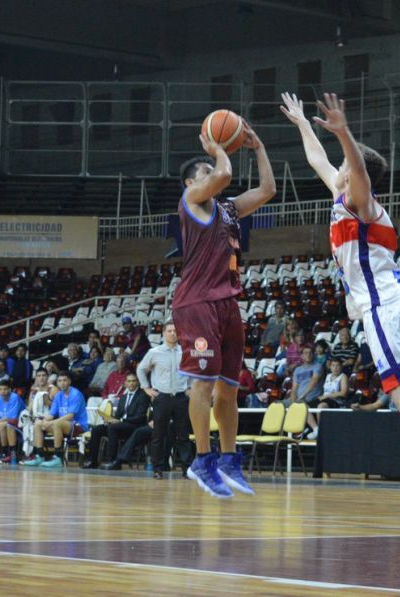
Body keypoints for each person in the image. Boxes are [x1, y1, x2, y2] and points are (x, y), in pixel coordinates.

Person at [281, 91, 400, 533]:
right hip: (396, 308)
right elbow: (317, 160)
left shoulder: (364, 204)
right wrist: (303, 124)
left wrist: (343, 132)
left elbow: (358, 170)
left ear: (353, 172)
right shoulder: (342, 195)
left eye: (344, 166)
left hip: (384, 307)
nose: (338, 170)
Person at [171, 115, 275, 499]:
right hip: (197, 302)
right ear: (191, 184)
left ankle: (229, 460)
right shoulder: (191, 201)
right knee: (202, 384)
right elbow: (225, 175)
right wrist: (217, 148)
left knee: (228, 389)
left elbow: (267, 189)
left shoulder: (227, 209)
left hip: (228, 303)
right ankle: (202, 460)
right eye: (204, 171)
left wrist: (258, 147)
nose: (211, 171)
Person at [137, 321, 190, 479]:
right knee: (158, 434)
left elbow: (193, 371)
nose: (173, 333)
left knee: (183, 435)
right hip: (162, 397)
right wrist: (146, 388)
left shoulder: (185, 351)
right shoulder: (154, 352)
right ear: (163, 333)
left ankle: (187, 469)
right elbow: (141, 369)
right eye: (169, 331)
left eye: (175, 331)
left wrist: (191, 387)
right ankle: (157, 468)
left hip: (181, 397)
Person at [22, 372, 87, 468]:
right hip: (62, 425)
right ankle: (39, 456)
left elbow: (70, 416)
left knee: (57, 424)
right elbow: (51, 414)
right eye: (60, 381)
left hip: (78, 425)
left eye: (65, 380)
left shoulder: (76, 394)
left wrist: (51, 422)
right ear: (57, 383)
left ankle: (58, 458)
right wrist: (45, 421)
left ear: (69, 381)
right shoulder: (58, 395)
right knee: (38, 423)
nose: (62, 383)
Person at [98, 373, 150, 470]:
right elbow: (118, 415)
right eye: (129, 381)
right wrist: (109, 419)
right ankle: (93, 461)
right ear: (125, 383)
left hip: (135, 425)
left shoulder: (143, 396)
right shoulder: (123, 397)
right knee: (97, 429)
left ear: (138, 382)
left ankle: (112, 461)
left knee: (113, 428)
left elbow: (139, 417)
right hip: (121, 425)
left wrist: (120, 420)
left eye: (134, 381)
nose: (131, 383)